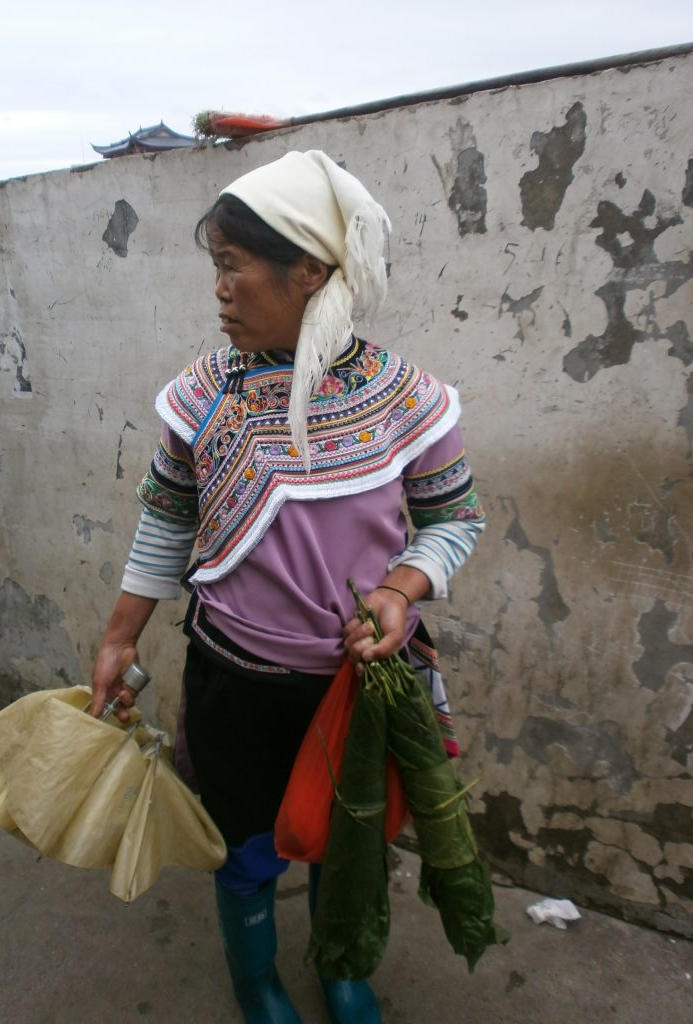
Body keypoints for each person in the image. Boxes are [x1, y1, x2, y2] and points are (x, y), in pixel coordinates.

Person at [91, 150, 485, 1024]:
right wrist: (120, 637)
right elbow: (164, 521)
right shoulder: (201, 398)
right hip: (236, 682)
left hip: (356, 685)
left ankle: (341, 965)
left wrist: (403, 589)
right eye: (216, 268)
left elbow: (457, 521)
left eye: (233, 266)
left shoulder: (403, 399)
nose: (220, 290)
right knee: (245, 848)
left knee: (345, 838)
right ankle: (258, 982)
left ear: (309, 270)